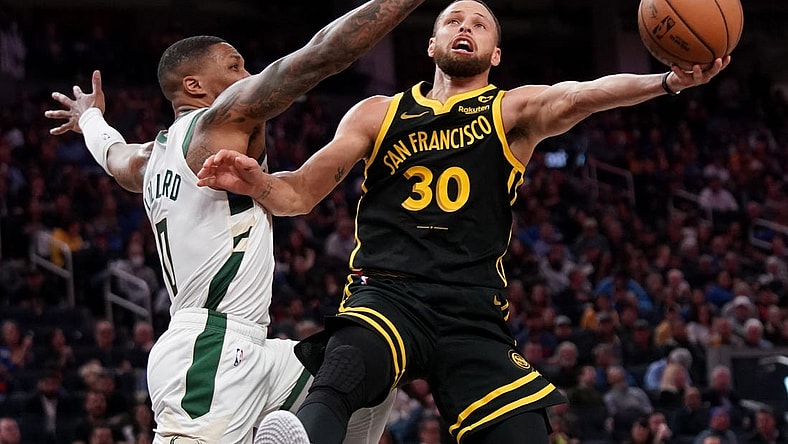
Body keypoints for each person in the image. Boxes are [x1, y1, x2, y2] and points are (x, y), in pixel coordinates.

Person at [196, 1, 730, 442]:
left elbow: (579, 95)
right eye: (452, 20)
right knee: (344, 370)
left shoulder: (510, 111)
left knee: (523, 432)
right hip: (388, 293)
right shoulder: (378, 113)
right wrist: (258, 183)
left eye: (478, 25)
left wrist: (665, 82)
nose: (464, 28)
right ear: (431, 45)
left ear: (495, 53)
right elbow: (301, 194)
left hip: (472, 308)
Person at [44, 0, 426, 442]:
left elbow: (111, 153)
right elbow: (321, 54)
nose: (248, 77)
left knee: (366, 368)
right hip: (207, 349)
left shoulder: (149, 158)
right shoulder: (215, 122)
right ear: (195, 85)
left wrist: (89, 117)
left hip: (254, 350)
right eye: (235, 65)